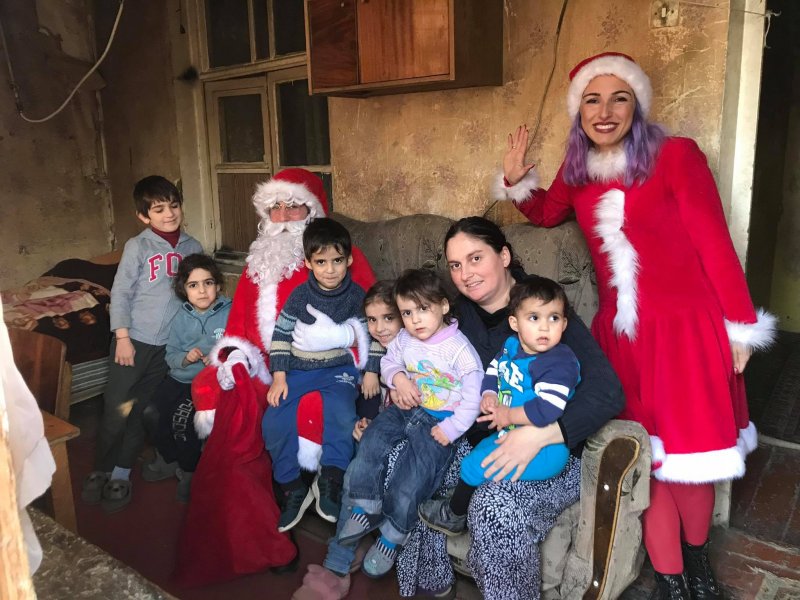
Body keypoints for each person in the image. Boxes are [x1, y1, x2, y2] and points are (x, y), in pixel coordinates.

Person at [495, 52, 777, 599]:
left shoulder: (676, 156)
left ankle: (698, 566)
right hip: (621, 342)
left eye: (618, 98)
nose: (605, 112)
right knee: (647, 458)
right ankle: (671, 580)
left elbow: (714, 242)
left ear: (637, 106)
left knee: (690, 462)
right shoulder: (577, 171)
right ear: (579, 111)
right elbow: (547, 211)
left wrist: (739, 326)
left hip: (686, 334)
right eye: (592, 100)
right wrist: (515, 179)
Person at [293, 217, 623, 600]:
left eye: (475, 258)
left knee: (492, 505)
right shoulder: (455, 315)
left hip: (549, 447)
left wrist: (540, 435)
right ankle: (410, 575)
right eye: (455, 265)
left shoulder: (542, 309)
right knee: (401, 457)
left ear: (504, 256)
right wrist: (388, 399)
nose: (465, 274)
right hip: (474, 435)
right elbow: (409, 352)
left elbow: (607, 392)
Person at [174, 168, 375, 587]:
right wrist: (235, 357)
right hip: (267, 366)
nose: (283, 216)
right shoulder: (258, 261)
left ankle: (303, 502)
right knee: (227, 404)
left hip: (325, 367)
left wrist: (355, 352)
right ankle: (262, 529)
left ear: (312, 210)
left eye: (293, 206)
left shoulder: (337, 258)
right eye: (275, 207)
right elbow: (237, 325)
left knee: (309, 409)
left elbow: (374, 319)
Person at [333, 268, 483, 579]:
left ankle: (391, 537)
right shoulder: (405, 338)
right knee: (372, 439)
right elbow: (389, 362)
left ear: (443, 306)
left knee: (414, 476)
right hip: (406, 408)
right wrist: (399, 380)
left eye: (423, 309)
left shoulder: (459, 349)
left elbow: (474, 395)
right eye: (407, 313)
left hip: (440, 420)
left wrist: (452, 429)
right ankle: (365, 506)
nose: (415, 320)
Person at [419, 276, 579, 535]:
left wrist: (508, 415)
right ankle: (464, 495)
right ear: (515, 323)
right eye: (534, 318)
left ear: (564, 324)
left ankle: (454, 516)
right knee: (477, 451)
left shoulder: (559, 362)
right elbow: (494, 370)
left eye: (554, 318)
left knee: (474, 465)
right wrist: (489, 393)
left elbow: (548, 409)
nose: (545, 327)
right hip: (511, 433)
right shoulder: (511, 345)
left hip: (545, 448)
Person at [81, 175, 202, 513]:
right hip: (133, 341)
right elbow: (120, 293)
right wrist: (122, 337)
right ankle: (102, 468)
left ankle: (121, 472)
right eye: (158, 209)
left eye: (174, 206)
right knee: (116, 407)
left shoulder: (193, 247)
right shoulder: (138, 246)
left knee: (140, 410)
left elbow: (198, 295)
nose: (169, 214)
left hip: (167, 348)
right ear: (143, 216)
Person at [263, 218, 377, 531]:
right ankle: (292, 486)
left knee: (341, 411)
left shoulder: (356, 296)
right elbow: (281, 336)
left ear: (349, 260)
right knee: (273, 420)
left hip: (338, 369)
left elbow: (374, 335)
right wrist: (279, 376)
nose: (330, 270)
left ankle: (331, 479)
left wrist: (370, 371)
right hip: (299, 369)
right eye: (321, 262)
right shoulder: (299, 296)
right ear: (308, 263)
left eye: (337, 261)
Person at [141, 253, 231, 503]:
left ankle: (190, 471)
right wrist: (185, 358)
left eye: (208, 283)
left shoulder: (229, 312)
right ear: (184, 290)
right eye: (193, 285)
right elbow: (170, 355)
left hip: (207, 383)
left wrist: (220, 356)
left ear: (218, 285)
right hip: (178, 378)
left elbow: (240, 347)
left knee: (183, 419)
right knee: (150, 413)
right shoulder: (181, 316)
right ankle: (170, 458)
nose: (202, 291)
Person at [353, 280, 403, 442]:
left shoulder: (413, 353)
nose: (379, 328)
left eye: (388, 318)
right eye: (372, 320)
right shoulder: (372, 348)